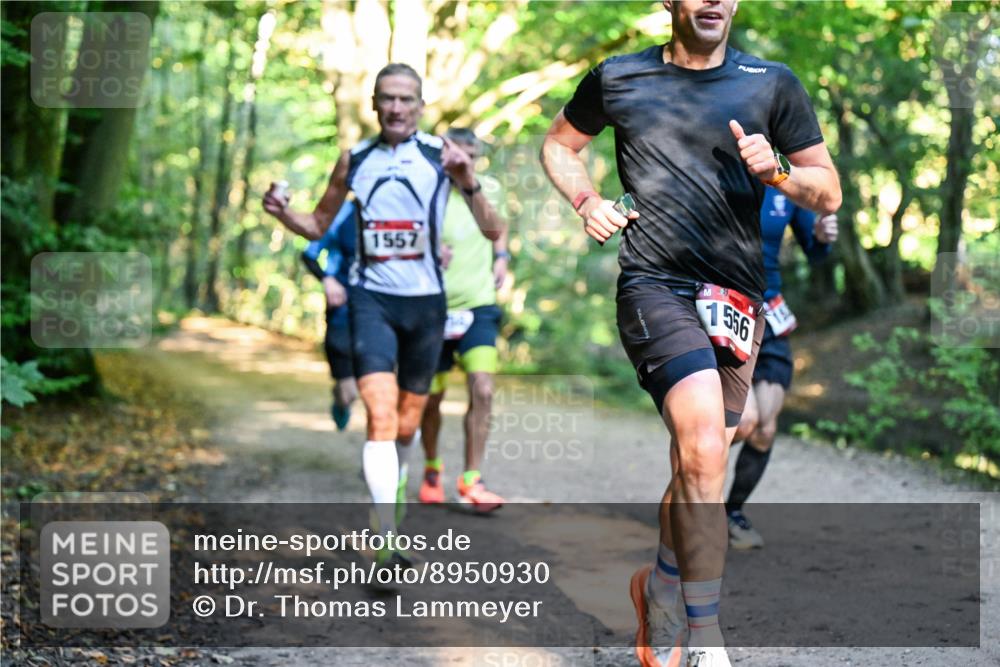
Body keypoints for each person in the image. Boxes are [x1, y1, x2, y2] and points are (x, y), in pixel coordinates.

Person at [539, 1, 841, 665]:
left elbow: (829, 191)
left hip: (739, 299)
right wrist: (587, 201)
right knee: (704, 441)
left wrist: (780, 174)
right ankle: (706, 638)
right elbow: (560, 144)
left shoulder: (772, 82)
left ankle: (663, 586)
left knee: (702, 456)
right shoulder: (620, 78)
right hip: (655, 284)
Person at [262, 63, 504, 567]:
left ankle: (388, 516)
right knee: (380, 414)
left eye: (406, 100)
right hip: (371, 299)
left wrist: (468, 181)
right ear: (374, 104)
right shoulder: (355, 160)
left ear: (420, 106)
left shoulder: (442, 157)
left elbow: (493, 229)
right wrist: (283, 213)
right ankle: (385, 537)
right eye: (387, 99)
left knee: (406, 427)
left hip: (426, 306)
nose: (395, 108)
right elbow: (318, 224)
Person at [726, 188, 837, 549]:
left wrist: (822, 236)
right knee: (741, 423)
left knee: (764, 429)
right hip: (721, 310)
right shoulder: (717, 169)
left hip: (769, 313)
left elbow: (816, 250)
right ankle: (692, 503)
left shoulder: (787, 181)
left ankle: (731, 514)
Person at [417, 127, 509, 513]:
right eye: (458, 154)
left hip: (478, 305)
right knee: (432, 397)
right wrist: (427, 247)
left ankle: (471, 478)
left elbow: (498, 227)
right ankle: (433, 468)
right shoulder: (427, 191)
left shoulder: (487, 187)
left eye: (471, 155)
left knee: (483, 389)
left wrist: (502, 258)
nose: (464, 161)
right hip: (433, 307)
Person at [300, 199, 358, 431]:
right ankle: (340, 398)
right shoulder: (341, 211)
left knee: (378, 390)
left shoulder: (393, 209)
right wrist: (328, 280)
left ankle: (376, 460)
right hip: (341, 311)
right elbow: (309, 254)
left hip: (379, 312)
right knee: (350, 394)